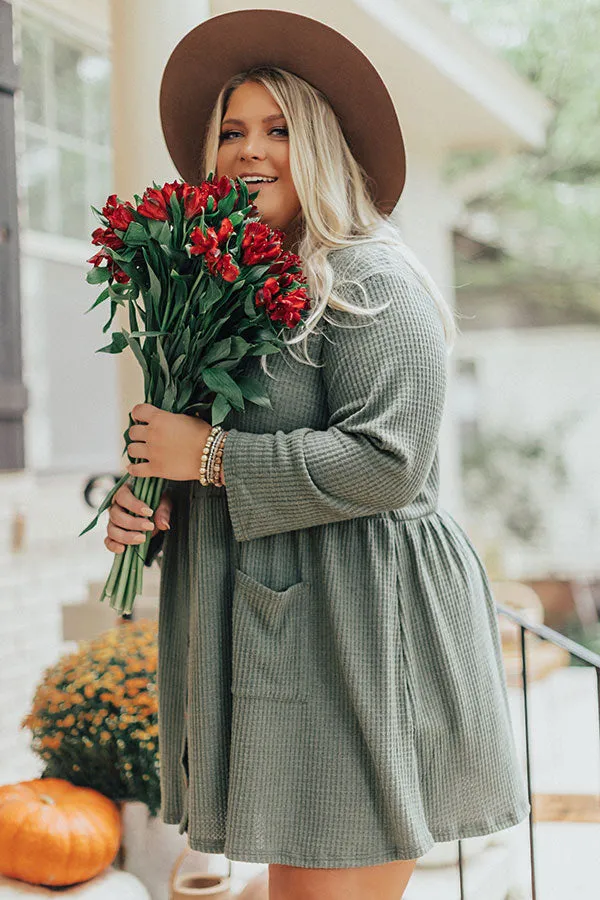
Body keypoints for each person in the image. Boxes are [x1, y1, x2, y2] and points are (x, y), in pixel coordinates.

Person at [104, 10, 531, 900]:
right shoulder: (234, 291)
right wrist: (156, 499)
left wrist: (210, 457)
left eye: (277, 129)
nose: (247, 151)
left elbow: (388, 461)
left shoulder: (370, 281)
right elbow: (205, 455)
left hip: (367, 636)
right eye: (231, 130)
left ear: (323, 147)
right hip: (294, 639)